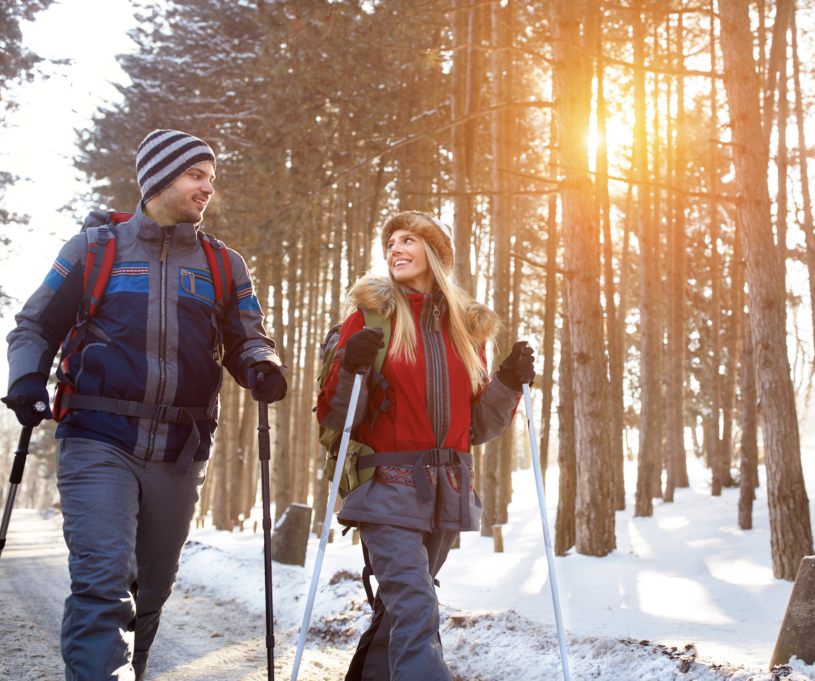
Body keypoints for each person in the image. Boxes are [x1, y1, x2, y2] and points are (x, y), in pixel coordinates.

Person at [4, 129, 286, 680]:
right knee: (102, 580)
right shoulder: (93, 250)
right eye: (196, 175)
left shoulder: (224, 265)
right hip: (97, 438)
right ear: (159, 177)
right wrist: (27, 378)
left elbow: (248, 335)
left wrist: (261, 364)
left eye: (211, 179)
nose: (207, 188)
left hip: (180, 450)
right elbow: (35, 324)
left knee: (151, 587)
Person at [316, 211, 535, 681]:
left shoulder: (465, 329)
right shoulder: (369, 318)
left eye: (408, 239)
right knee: (416, 606)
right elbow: (338, 416)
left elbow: (474, 426)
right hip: (384, 490)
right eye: (390, 241)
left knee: (400, 611)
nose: (395, 248)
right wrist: (351, 368)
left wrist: (508, 383)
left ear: (434, 253)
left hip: (447, 491)